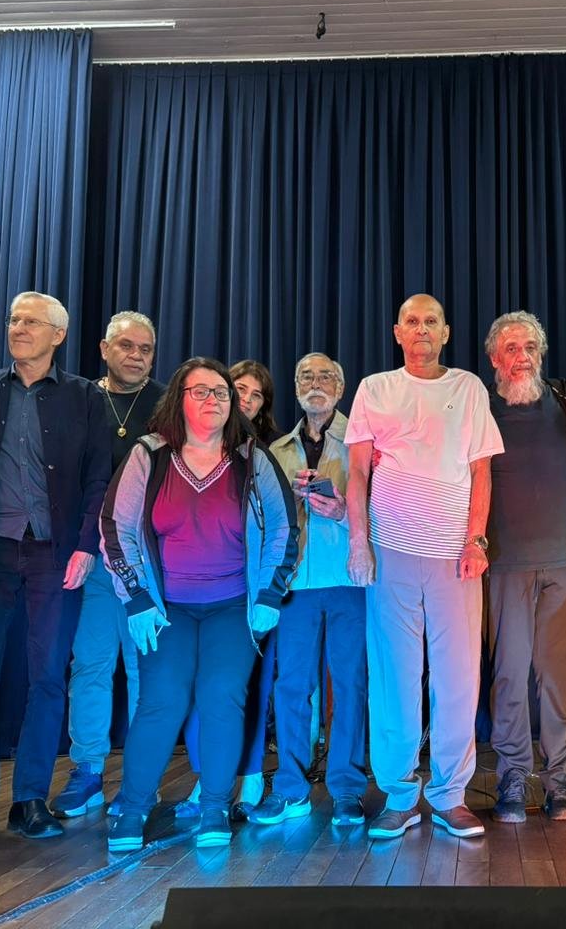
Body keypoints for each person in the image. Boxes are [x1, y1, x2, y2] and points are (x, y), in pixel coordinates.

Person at [101, 358, 298, 851]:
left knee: (222, 698)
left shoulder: (252, 458)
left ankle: (214, 807)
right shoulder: (149, 455)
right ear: (179, 399)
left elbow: (283, 527)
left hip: (233, 607)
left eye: (222, 393)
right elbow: (116, 528)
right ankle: (133, 807)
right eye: (201, 391)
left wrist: (269, 594)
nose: (214, 400)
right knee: (161, 701)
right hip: (165, 608)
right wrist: (136, 599)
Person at [0, 292, 112, 844]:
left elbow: (98, 477)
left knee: (47, 676)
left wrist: (86, 545)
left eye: (31, 322)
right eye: (14, 319)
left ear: (58, 335)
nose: (18, 328)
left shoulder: (86, 397)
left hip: (55, 552)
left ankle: (30, 799)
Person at [345, 294, 504, 840]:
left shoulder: (468, 388)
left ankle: (450, 795)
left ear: (445, 332)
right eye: (411, 321)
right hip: (391, 550)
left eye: (430, 321)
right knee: (395, 676)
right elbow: (358, 471)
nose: (421, 329)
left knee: (458, 678)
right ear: (397, 332)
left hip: (453, 556)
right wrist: (359, 543)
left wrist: (476, 540)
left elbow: (482, 472)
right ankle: (399, 795)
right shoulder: (375, 388)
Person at [51, 311, 164, 818]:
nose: (136, 355)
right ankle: (88, 771)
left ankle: (142, 778)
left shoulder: (167, 404)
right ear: (103, 348)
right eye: (126, 346)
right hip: (94, 558)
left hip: (149, 561)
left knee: (145, 670)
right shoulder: (80, 398)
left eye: (145, 348)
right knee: (91, 664)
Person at [251, 352, 368, 828]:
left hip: (348, 580)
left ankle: (347, 789)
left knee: (350, 685)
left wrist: (342, 512)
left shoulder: (362, 442)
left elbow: (386, 509)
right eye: (305, 376)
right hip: (295, 584)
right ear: (296, 387)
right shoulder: (278, 450)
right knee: (292, 685)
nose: (315, 383)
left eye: (325, 376)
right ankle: (291, 789)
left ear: (340, 388)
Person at [483, 312, 566, 824]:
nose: (521, 357)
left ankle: (559, 782)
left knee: (559, 678)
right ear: (494, 358)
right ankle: (511, 778)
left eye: (529, 347)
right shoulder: (480, 409)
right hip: (505, 564)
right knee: (509, 675)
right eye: (510, 348)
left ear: (541, 353)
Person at [179, 358, 282, 817]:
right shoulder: (187, 446)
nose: (247, 400)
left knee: (250, 686)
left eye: (257, 396)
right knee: (200, 687)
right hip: (199, 591)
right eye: (239, 389)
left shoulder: (267, 453)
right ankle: (207, 779)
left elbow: (280, 527)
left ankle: (253, 775)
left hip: (254, 591)